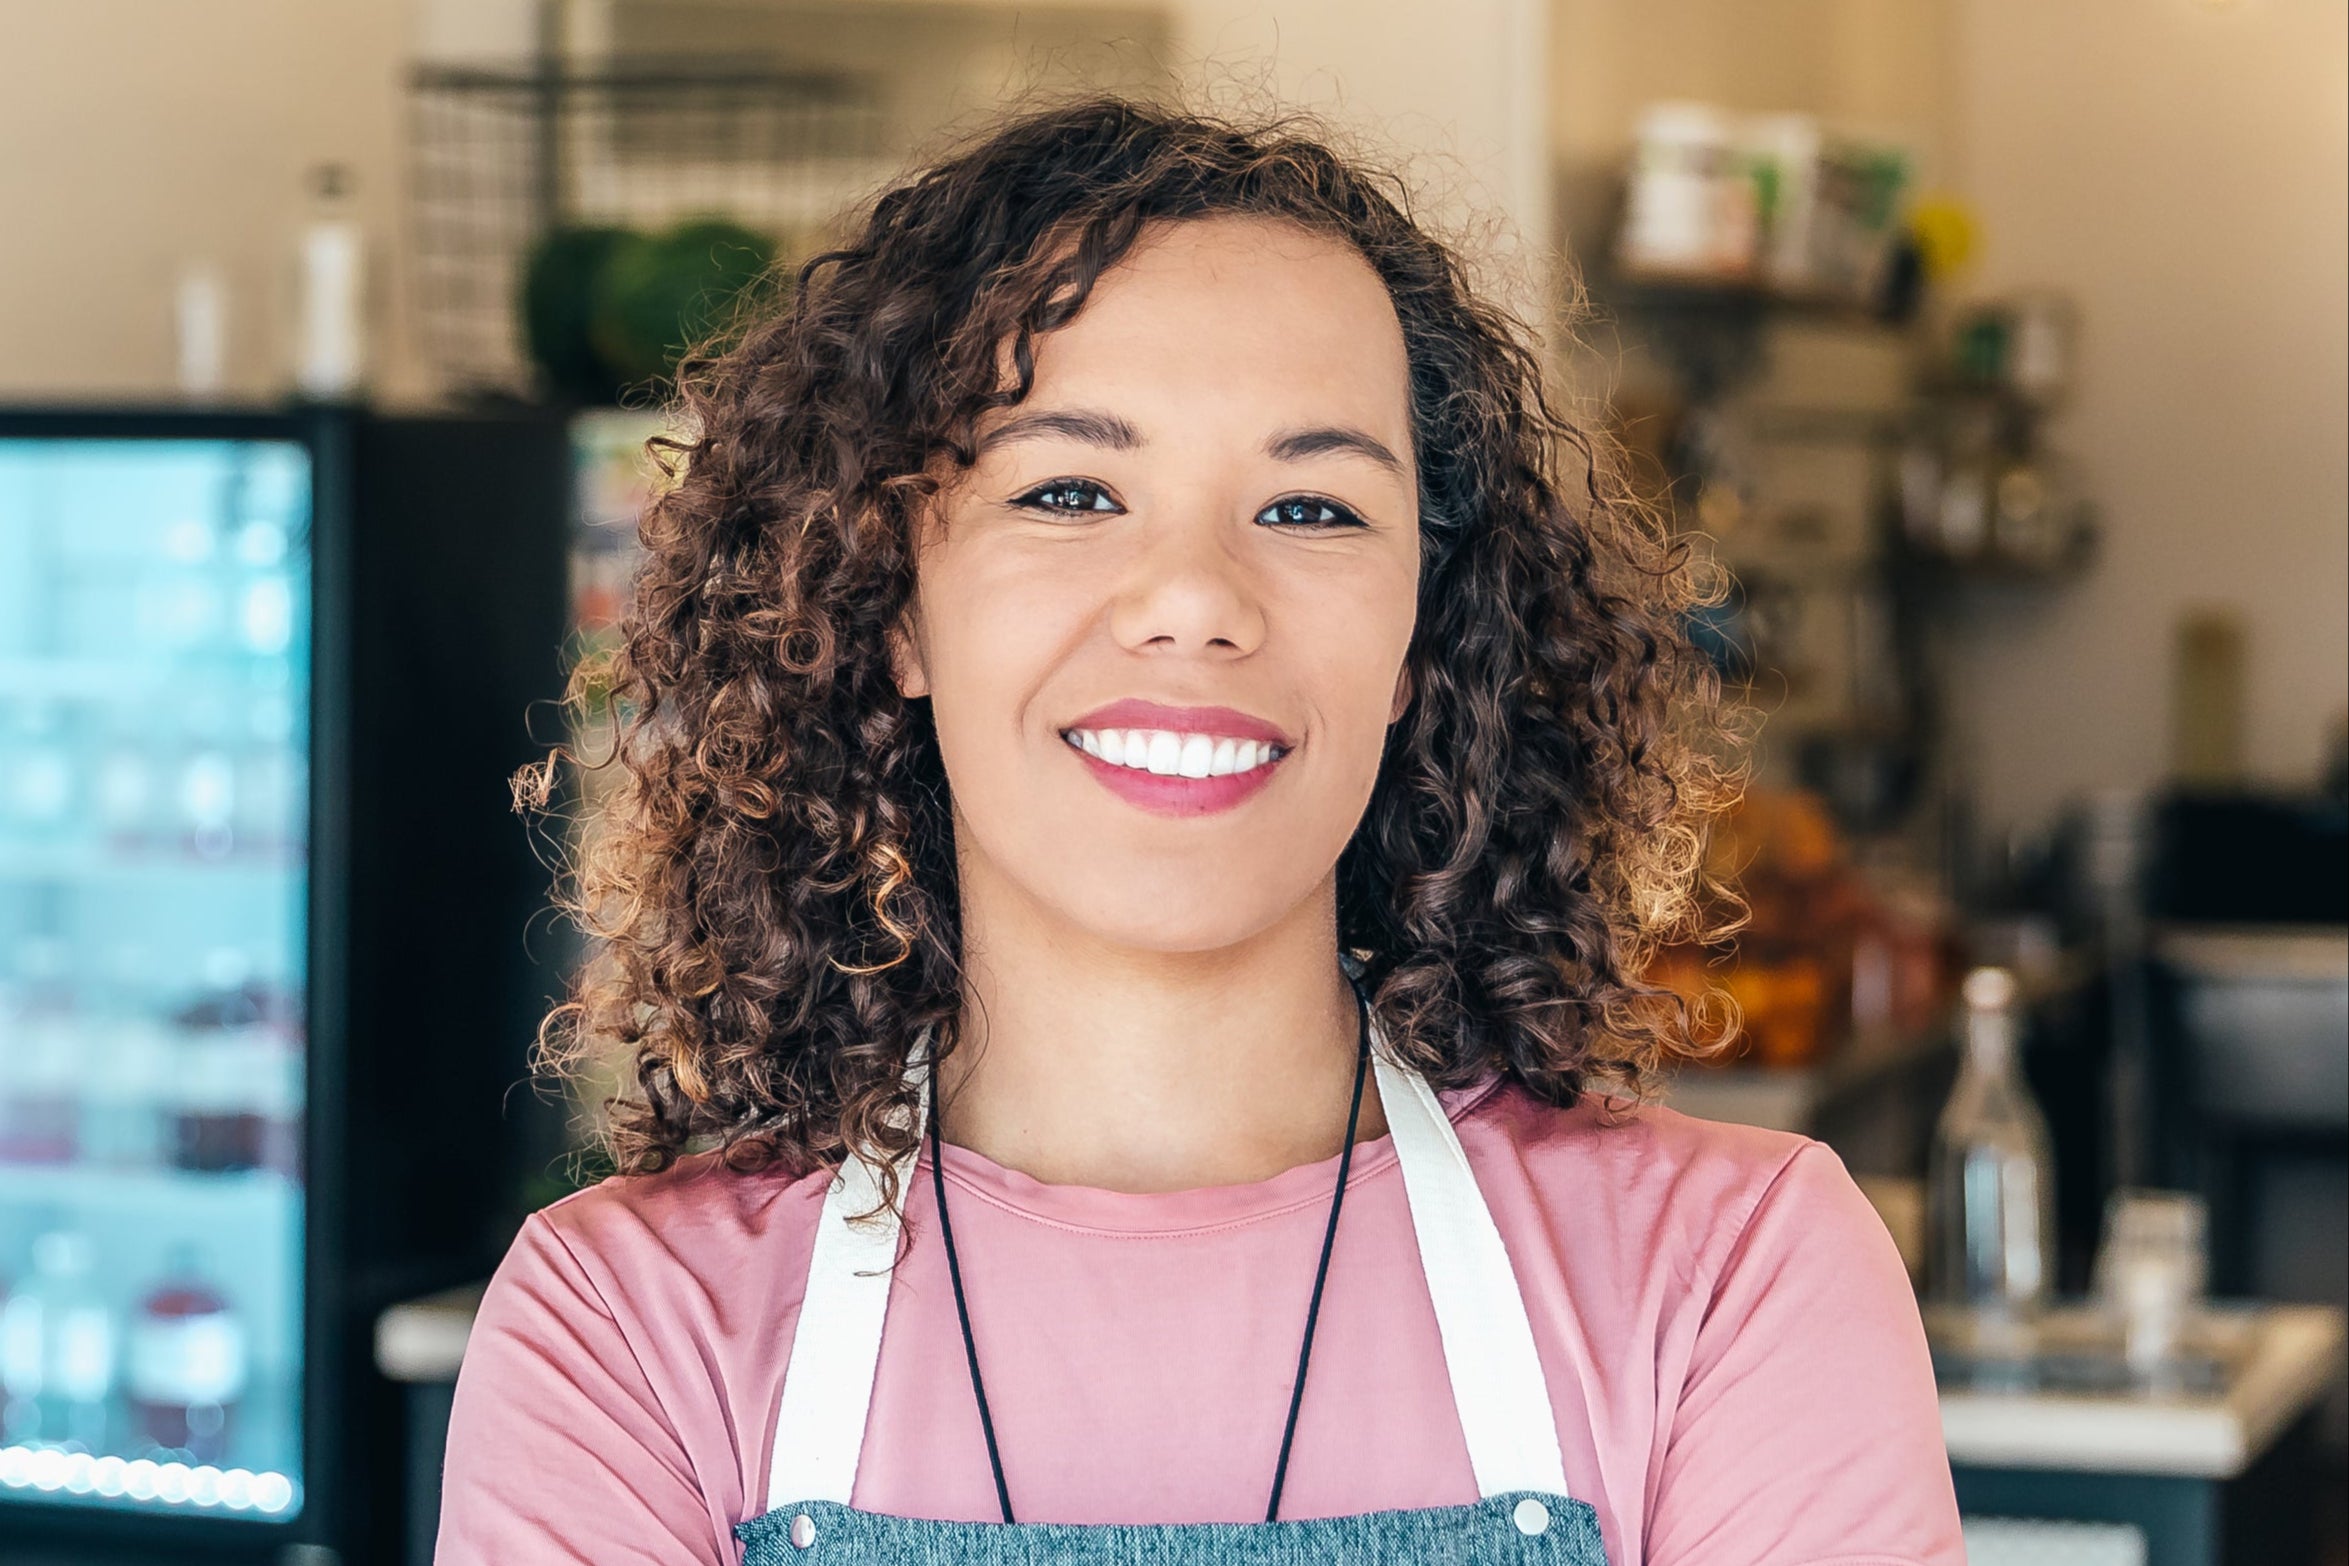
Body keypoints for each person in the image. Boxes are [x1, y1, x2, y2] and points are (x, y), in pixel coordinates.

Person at [438, 95, 1964, 1565]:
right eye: (1071, 489)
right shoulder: (625, 1330)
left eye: (1309, 510)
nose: (1192, 598)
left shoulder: (1729, 1280)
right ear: (894, 603)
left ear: (1419, 641)